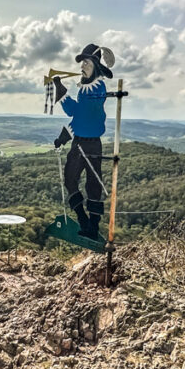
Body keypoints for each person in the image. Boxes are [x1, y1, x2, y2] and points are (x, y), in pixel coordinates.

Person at [51, 43, 114, 241]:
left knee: (93, 185)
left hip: (89, 143)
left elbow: (78, 114)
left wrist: (61, 92)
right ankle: (85, 221)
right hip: (80, 142)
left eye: (86, 63)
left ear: (95, 64)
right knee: (72, 180)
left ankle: (92, 226)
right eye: (83, 63)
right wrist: (65, 137)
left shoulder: (96, 88)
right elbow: (78, 118)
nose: (82, 67)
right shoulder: (86, 89)